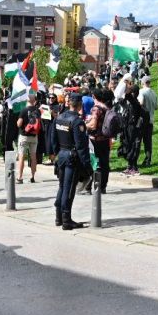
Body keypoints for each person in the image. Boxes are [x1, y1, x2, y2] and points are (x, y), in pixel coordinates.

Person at [53, 93, 91, 230]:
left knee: (62, 186)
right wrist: (87, 166)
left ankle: (58, 217)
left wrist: (57, 155)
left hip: (61, 155)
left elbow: (54, 140)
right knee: (68, 189)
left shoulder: (59, 118)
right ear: (80, 105)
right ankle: (66, 219)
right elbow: (81, 146)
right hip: (71, 157)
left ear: (69, 103)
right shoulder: (77, 122)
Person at [14, 103, 40, 183]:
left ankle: (20, 177)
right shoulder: (38, 110)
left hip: (24, 136)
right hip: (34, 136)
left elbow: (19, 124)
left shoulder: (24, 110)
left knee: (22, 156)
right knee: (33, 156)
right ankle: (32, 177)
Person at [138, 80, 158, 166]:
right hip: (151, 119)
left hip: (142, 119)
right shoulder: (154, 93)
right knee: (148, 141)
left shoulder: (141, 91)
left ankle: (134, 162)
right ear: (149, 83)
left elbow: (141, 102)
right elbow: (157, 107)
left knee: (138, 140)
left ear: (142, 83)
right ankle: (148, 160)